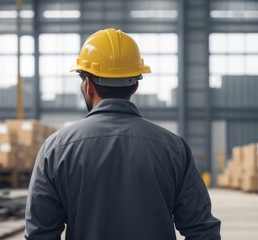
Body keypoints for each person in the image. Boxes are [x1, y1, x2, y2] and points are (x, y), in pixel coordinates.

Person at [25, 28, 221, 240]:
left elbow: (40, 235)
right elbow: (203, 231)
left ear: (88, 86)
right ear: (135, 86)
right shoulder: (174, 148)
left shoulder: (55, 150)